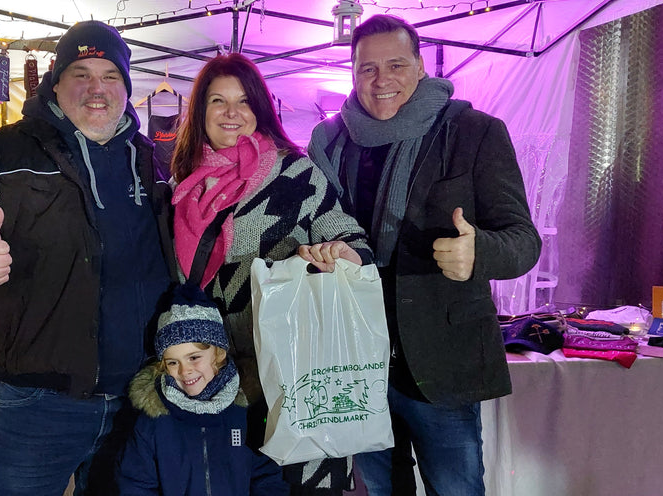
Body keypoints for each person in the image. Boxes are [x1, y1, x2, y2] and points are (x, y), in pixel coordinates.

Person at [0, 21, 175, 496]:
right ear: (56, 82)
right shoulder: (1, 153)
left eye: (110, 75)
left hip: (136, 398)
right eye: (81, 73)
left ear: (127, 87)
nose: (97, 88)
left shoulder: (150, 160)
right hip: (38, 404)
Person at [307, 14, 542, 496]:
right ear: (352, 73)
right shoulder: (329, 143)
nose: (382, 80)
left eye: (395, 64)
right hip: (359, 361)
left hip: (443, 362)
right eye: (367, 69)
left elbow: (523, 240)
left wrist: (478, 252)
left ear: (420, 66)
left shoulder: (475, 133)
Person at [168, 53, 372, 495]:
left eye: (243, 101)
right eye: (218, 101)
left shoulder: (294, 172)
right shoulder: (185, 183)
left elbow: (352, 240)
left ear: (260, 108)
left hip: (294, 365)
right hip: (217, 373)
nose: (231, 113)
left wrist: (339, 253)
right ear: (199, 111)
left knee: (301, 479)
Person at [118, 284, 289, 495]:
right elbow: (136, 484)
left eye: (194, 357)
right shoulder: (153, 422)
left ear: (218, 354)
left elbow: (266, 477)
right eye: (172, 362)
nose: (185, 370)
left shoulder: (245, 413)